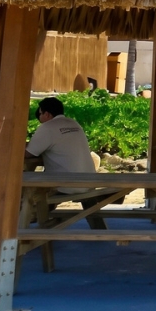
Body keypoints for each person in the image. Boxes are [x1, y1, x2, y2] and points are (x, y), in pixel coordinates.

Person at [25, 96, 106, 228]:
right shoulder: (74, 124)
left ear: (46, 113)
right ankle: (98, 228)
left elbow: (28, 154)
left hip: (66, 185)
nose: (39, 119)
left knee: (32, 192)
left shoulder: (47, 127)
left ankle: (31, 220)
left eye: (39, 115)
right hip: (89, 181)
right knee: (46, 188)